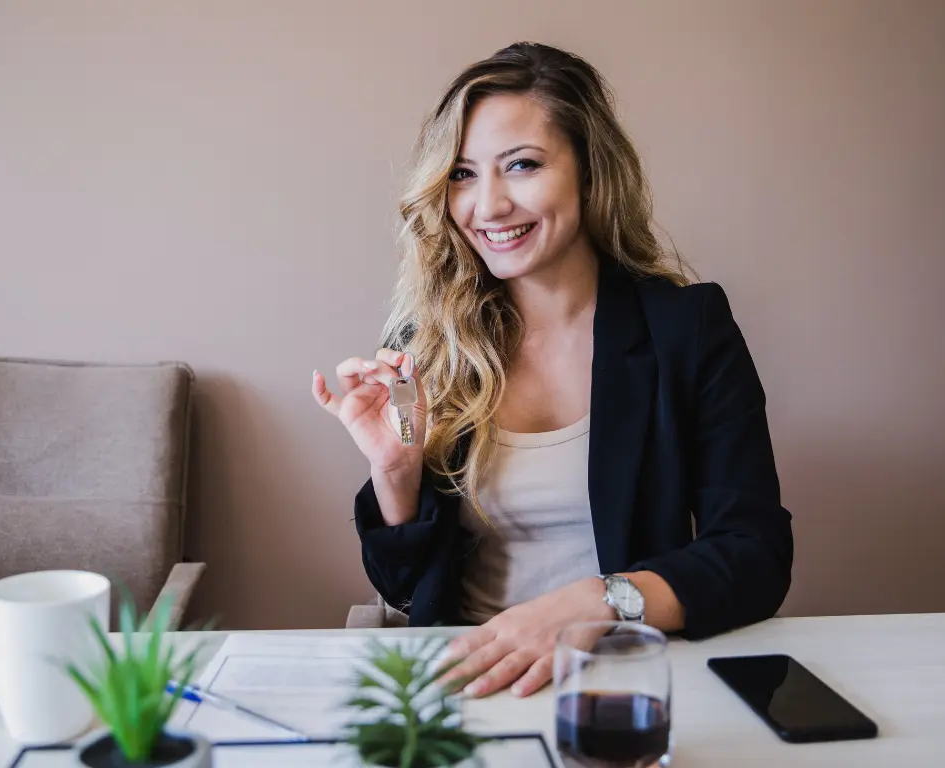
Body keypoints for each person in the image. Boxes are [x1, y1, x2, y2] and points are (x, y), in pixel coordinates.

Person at [311, 41, 793, 699]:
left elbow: (756, 555)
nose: (489, 205)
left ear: (590, 171)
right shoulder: (428, 343)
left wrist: (598, 601)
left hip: (631, 683)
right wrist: (396, 475)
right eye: (462, 174)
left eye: (523, 165)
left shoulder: (687, 328)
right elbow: (404, 587)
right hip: (470, 686)